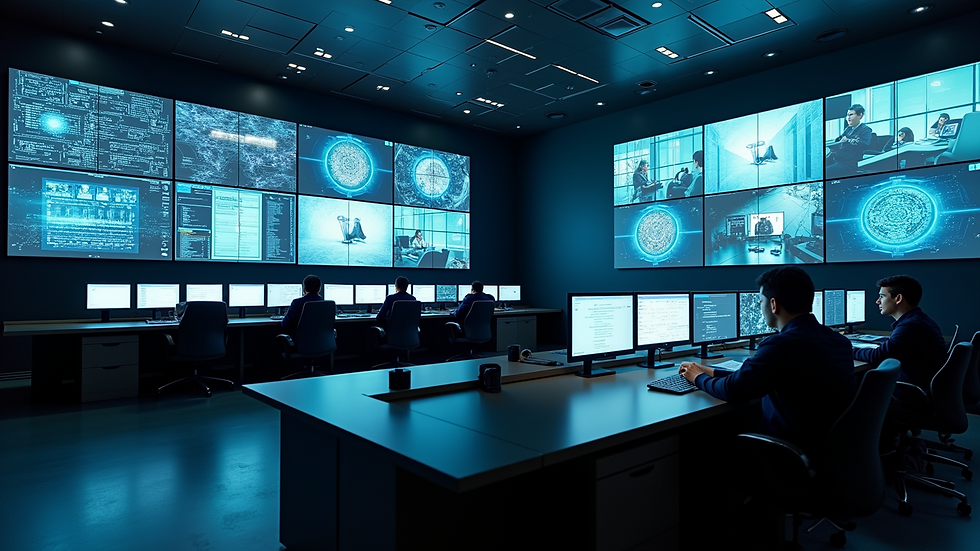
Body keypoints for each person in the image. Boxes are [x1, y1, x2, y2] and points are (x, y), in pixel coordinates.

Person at [679, 267, 856, 457]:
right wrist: (711, 372)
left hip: (790, 454)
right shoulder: (839, 341)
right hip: (830, 451)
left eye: (760, 301)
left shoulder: (781, 345)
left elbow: (733, 390)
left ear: (773, 304)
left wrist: (697, 378)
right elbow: (758, 376)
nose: (759, 307)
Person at [852, 275, 945, 393]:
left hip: (909, 394)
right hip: (919, 387)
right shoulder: (918, 320)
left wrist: (848, 350)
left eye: (882, 296)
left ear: (898, 299)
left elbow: (878, 356)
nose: (877, 301)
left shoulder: (911, 326)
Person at [826, 104, 872, 179]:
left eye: (851, 115)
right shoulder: (848, 129)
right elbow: (840, 140)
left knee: (826, 172)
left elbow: (864, 144)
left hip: (848, 164)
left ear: (860, 115)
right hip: (838, 160)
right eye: (847, 115)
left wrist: (848, 140)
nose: (848, 118)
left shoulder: (865, 130)